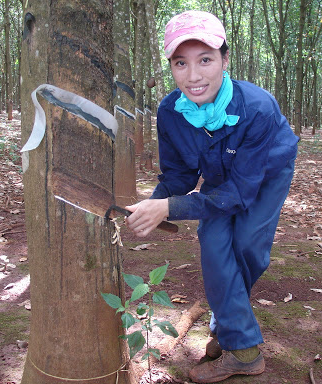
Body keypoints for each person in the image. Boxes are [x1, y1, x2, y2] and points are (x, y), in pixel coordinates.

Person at [125, 10, 299, 383]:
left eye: (205, 60)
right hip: (223, 179)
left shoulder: (257, 108)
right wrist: (151, 205)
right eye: (180, 63)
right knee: (215, 244)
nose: (193, 75)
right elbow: (179, 174)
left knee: (249, 248)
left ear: (224, 59)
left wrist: (169, 207)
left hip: (266, 174)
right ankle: (245, 352)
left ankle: (226, 330)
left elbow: (239, 193)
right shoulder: (171, 111)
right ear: (171, 67)